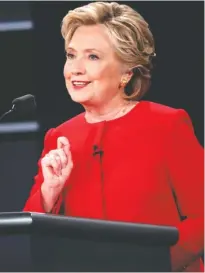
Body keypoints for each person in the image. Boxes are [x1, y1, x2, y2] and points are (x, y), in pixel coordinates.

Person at [23, 2, 204, 271]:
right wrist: (49, 193)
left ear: (126, 72)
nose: (75, 69)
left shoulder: (167, 125)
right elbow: (30, 231)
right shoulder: (59, 137)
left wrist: (155, 262)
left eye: (92, 57)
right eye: (71, 55)